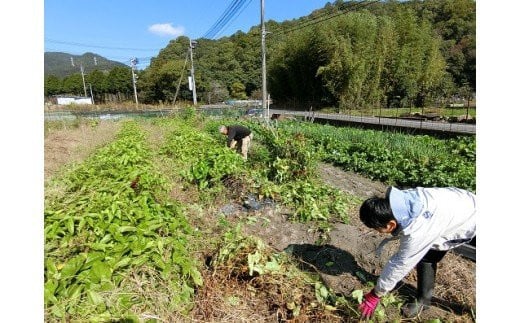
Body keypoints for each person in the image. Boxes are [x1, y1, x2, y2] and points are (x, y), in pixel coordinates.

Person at [358, 186, 476, 319]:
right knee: (427, 257)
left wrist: (375, 294)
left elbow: (400, 264)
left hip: (471, 217)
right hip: (457, 206)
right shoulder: (402, 201)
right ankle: (423, 301)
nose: (377, 232)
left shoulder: (418, 231)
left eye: (377, 228)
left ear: (390, 225)